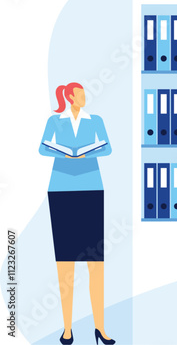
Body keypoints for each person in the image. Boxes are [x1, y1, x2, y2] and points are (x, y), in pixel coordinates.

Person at [39, 83, 115, 345]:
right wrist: (63, 152)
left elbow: (107, 148)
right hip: (61, 190)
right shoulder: (55, 121)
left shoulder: (95, 120)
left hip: (91, 188)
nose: (84, 97)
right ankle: (67, 329)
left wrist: (87, 153)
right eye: (80, 94)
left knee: (96, 265)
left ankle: (100, 328)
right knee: (65, 266)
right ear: (70, 96)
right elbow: (43, 148)